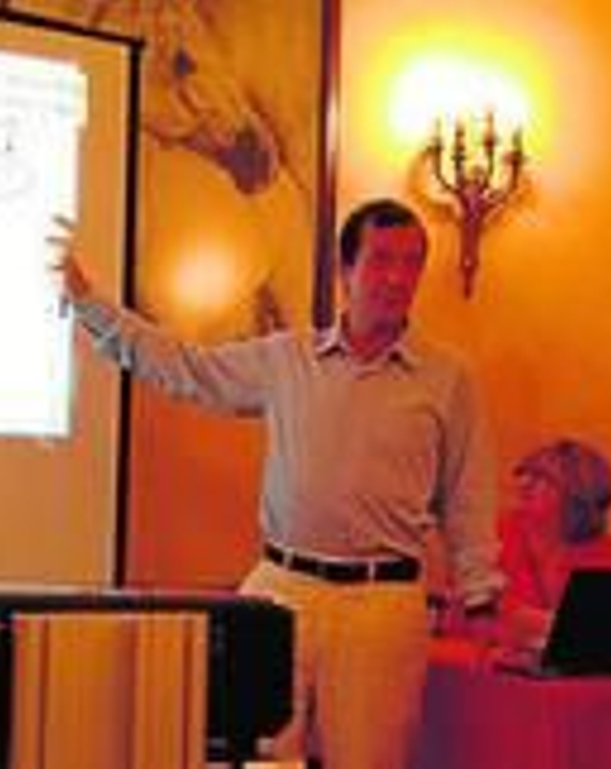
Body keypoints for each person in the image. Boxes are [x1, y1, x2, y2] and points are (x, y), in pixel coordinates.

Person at [53, 198, 501, 769]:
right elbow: (188, 369)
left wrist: (481, 596)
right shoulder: (287, 359)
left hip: (382, 605)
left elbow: (468, 495)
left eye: (412, 263)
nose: (398, 278)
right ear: (346, 270)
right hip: (280, 589)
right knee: (261, 757)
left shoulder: (449, 378)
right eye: (382, 259)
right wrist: (90, 304)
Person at [483, 439, 611, 665]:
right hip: (490, 664)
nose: (524, 483)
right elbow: (472, 613)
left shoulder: (602, 550)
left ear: (577, 494)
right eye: (523, 474)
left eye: (542, 478)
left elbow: (605, 627)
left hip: (566, 670)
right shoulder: (497, 534)